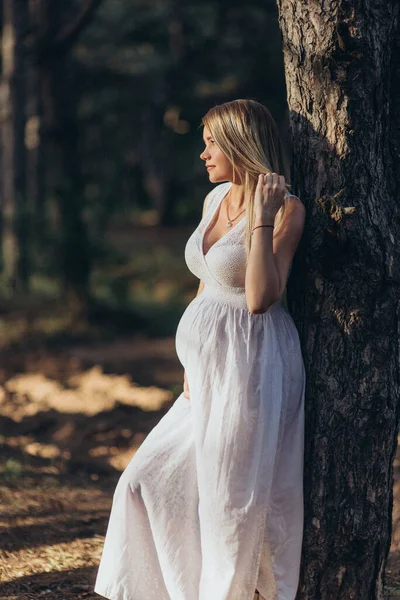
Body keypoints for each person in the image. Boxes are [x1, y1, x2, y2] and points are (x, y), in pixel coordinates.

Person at [94, 98, 306, 600]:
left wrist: (262, 217)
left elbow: (258, 298)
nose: (203, 155)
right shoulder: (214, 200)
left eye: (212, 143)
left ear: (239, 144)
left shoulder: (287, 211)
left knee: (232, 504)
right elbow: (208, 280)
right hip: (205, 373)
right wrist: (192, 358)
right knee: (144, 480)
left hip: (250, 368)